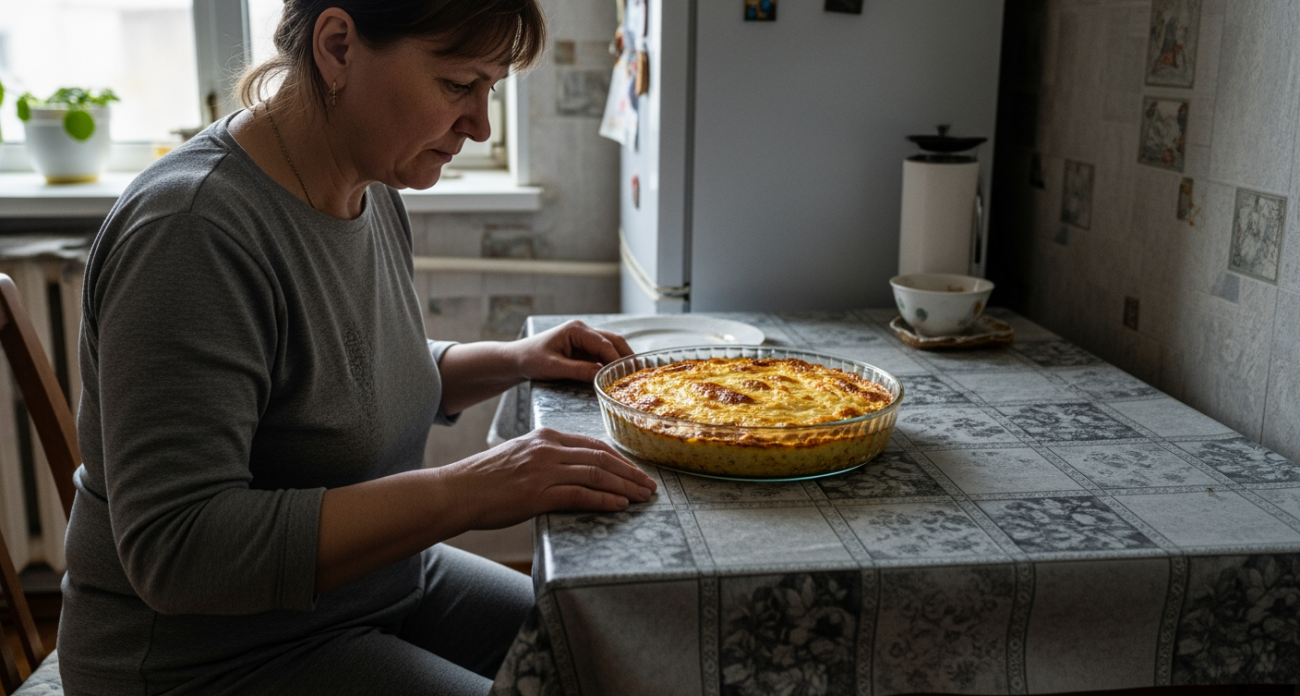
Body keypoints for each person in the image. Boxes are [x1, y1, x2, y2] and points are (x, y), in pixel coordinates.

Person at [57, 2, 656, 695]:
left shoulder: (367, 186)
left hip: (374, 587)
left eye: (490, 89)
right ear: (338, 47)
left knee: (616, 647)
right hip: (213, 659)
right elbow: (178, 550)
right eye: (459, 85)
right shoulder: (191, 232)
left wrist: (516, 358)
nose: (480, 124)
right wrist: (470, 491)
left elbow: (346, 375)